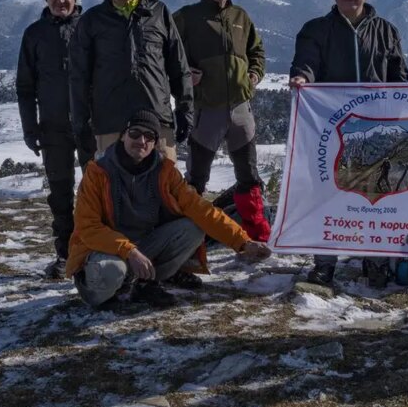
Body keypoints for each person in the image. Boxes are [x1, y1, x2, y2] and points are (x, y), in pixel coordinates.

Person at [66, 110, 271, 308]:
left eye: (149, 136)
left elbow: (201, 209)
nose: (141, 141)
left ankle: (145, 282)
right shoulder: (97, 173)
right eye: (135, 133)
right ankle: (100, 292)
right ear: (123, 136)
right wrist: (128, 251)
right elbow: (88, 227)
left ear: (155, 143)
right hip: (105, 251)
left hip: (143, 247)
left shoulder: (165, 172)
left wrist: (242, 243)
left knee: (193, 227)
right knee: (112, 271)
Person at [290, 0, 408, 288]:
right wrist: (303, 77)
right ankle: (324, 263)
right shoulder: (316, 29)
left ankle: (375, 261)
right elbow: (306, 63)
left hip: (376, 131)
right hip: (333, 132)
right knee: (327, 194)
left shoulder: (387, 31)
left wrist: (397, 113)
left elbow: (400, 77)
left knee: (376, 196)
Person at [172, 0, 271, 241]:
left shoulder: (241, 16)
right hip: (206, 108)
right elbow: (169, 51)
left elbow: (257, 51)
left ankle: (256, 234)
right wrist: (184, 74)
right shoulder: (188, 16)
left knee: (248, 175)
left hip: (240, 108)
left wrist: (253, 74)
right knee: (196, 179)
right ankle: (188, 238)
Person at [69, 0, 194, 164]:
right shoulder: (91, 20)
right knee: (111, 190)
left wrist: (185, 109)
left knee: (163, 189)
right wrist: (80, 123)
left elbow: (178, 65)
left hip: (157, 120)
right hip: (110, 122)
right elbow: (78, 75)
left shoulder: (159, 13)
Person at [17, 0, 93, 279]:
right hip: (52, 127)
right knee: (60, 195)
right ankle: (66, 255)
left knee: (96, 191)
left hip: (91, 125)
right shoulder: (34, 34)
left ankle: (98, 249)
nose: (60, 0)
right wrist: (29, 127)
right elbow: (25, 87)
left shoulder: (90, 28)